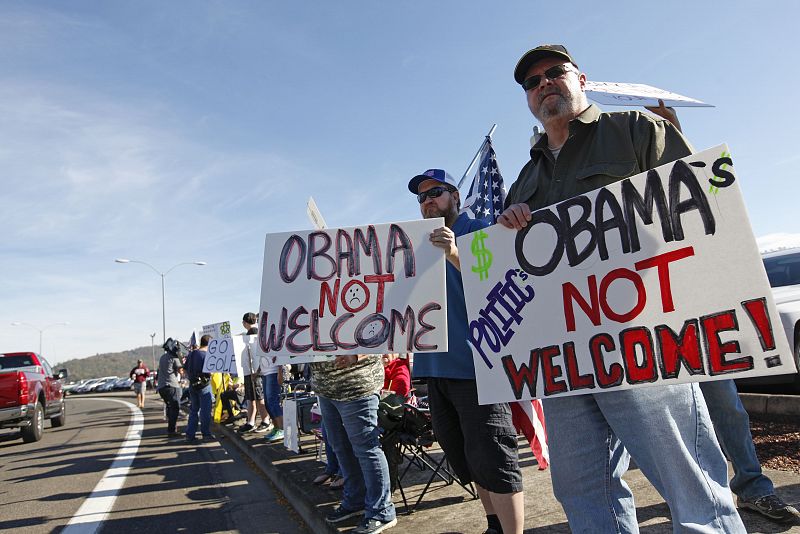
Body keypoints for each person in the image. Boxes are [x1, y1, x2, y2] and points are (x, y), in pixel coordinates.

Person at [498, 43, 745, 532]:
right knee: (585, 492)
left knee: (690, 487)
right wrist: (509, 226)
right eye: (532, 82)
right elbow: (515, 270)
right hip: (564, 359)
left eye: (555, 73)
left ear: (581, 78)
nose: (544, 83)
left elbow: (698, 209)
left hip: (644, 342)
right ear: (528, 99)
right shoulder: (526, 175)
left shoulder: (636, 129)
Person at [645, 102, 800, 524]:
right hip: (645, 324)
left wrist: (674, 135)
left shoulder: (682, 195)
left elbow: (707, 190)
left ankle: (752, 487)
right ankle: (688, 494)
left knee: (725, 406)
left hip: (695, 317)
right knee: (657, 421)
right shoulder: (621, 206)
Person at [408, 168, 524, 534]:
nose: (429, 201)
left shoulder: (481, 228)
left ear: (455, 195)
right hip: (435, 368)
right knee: (466, 459)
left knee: (494, 457)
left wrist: (455, 252)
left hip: (477, 366)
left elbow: (497, 284)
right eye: (423, 197)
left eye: (436, 192)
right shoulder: (414, 244)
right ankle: (493, 524)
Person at [312, 354, 396, 534]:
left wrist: (358, 355)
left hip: (357, 386)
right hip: (325, 388)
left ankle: (382, 511)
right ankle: (356, 500)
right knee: (340, 446)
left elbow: (383, 331)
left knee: (366, 448)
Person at [238, 312, 271, 434]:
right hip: (251, 370)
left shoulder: (253, 334)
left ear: (245, 322)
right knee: (251, 397)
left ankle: (265, 421)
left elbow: (257, 355)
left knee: (258, 397)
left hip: (255, 371)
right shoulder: (252, 333)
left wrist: (257, 371)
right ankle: (251, 421)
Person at [185, 334, 214, 443]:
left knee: (193, 410)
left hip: (192, 385)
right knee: (205, 410)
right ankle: (206, 434)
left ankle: (190, 434)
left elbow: (186, 368)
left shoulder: (192, 354)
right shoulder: (206, 356)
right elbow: (209, 371)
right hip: (204, 385)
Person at [157, 338, 183, 437]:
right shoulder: (174, 358)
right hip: (172, 386)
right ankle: (172, 430)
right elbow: (181, 371)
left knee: (169, 406)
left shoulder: (162, 357)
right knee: (175, 408)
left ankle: (172, 427)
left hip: (161, 387)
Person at [261, 349, 285, 443]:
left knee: (272, 401)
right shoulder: (261, 338)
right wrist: (259, 370)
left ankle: (282, 429)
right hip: (265, 372)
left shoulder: (272, 336)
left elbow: (280, 353)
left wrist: (280, 371)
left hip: (273, 371)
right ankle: (276, 427)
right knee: (267, 403)